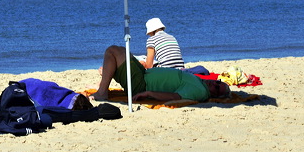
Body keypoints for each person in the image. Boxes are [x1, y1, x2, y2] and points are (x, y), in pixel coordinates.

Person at [93, 45, 231, 102]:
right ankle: (106, 75)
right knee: (121, 50)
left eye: (217, 88)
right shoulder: (200, 82)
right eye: (218, 82)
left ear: (214, 95)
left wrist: (149, 94)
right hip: (144, 74)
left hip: (141, 84)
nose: (215, 83)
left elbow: (175, 96)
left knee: (113, 51)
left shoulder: (200, 91)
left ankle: (102, 92)